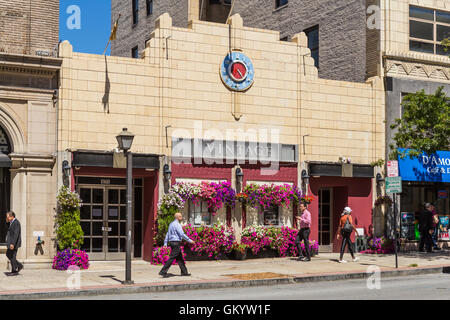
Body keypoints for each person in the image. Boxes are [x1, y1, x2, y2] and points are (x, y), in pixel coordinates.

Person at [159, 212, 195, 278]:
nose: (181, 217)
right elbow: (182, 234)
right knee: (172, 258)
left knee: (180, 258)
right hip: (176, 243)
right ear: (178, 217)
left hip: (172, 242)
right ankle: (163, 271)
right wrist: (189, 240)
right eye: (180, 216)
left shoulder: (171, 224)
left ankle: (184, 272)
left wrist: (165, 243)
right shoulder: (177, 225)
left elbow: (168, 234)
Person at [5, 211, 23, 276]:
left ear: (12, 216)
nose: (7, 218)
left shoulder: (16, 223)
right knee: (9, 254)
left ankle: (14, 271)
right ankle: (18, 265)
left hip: (14, 243)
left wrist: (13, 243)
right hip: (11, 243)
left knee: (13, 256)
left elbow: (16, 234)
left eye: (8, 217)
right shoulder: (11, 222)